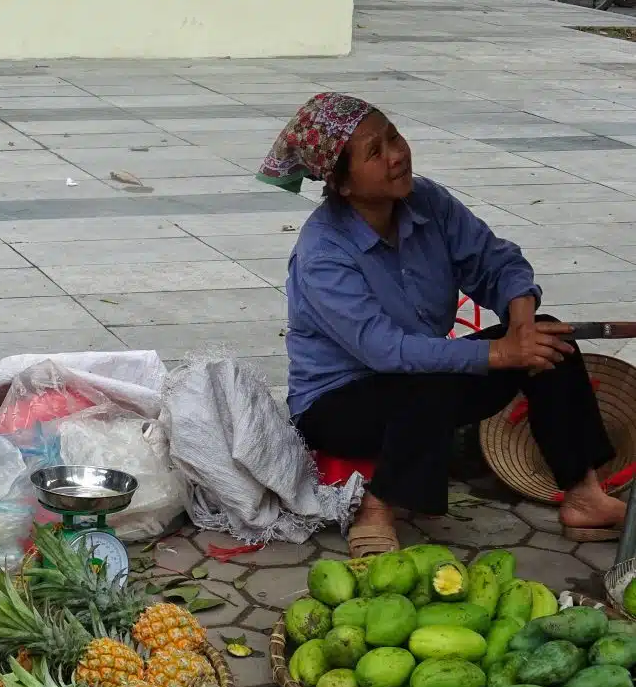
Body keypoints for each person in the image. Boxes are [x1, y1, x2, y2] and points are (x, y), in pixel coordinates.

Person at [257, 92, 624, 558]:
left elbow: (494, 261)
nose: (396, 154)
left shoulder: (426, 201)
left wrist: (521, 321)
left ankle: (584, 495)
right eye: (375, 152)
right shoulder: (323, 253)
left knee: (551, 340)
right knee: (429, 379)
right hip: (339, 403)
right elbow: (385, 351)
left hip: (425, 379)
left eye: (393, 136)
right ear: (343, 185)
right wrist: (500, 353)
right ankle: (377, 508)